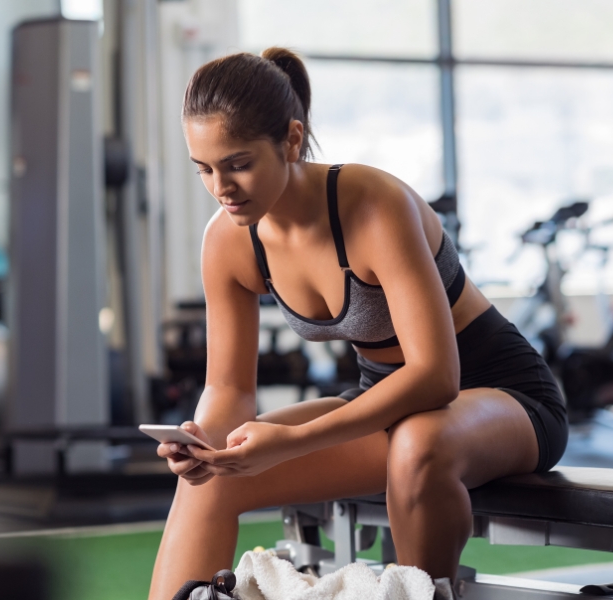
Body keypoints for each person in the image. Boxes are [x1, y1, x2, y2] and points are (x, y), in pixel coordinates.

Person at [149, 48, 567, 600]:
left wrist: (291, 439)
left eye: (239, 163)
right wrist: (204, 443)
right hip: (387, 407)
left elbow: (437, 376)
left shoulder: (373, 204)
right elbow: (228, 387)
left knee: (419, 442)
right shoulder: (228, 240)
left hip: (504, 396)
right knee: (212, 480)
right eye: (204, 168)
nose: (221, 187)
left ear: (292, 141)